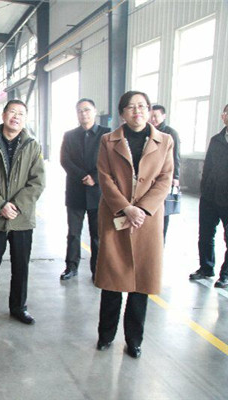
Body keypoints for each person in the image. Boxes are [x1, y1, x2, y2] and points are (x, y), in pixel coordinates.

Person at [94, 90, 173, 359]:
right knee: (112, 281)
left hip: (147, 220)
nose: (137, 111)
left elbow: (165, 179)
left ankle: (134, 340)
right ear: (122, 113)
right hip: (116, 215)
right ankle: (106, 335)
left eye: (142, 106)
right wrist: (126, 207)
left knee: (142, 283)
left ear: (149, 110)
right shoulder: (108, 140)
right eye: (130, 107)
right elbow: (104, 177)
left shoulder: (165, 141)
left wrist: (142, 209)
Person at [0, 99, 45, 327]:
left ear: (25, 119)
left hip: (22, 219)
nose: (16, 117)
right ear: (3, 115)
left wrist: (16, 206)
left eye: (21, 113)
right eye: (12, 112)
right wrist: (0, 204)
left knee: (21, 266)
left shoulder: (33, 146)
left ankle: (19, 307)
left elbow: (38, 182)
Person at [59, 99, 110, 281]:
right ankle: (71, 267)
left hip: (98, 193)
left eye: (87, 110)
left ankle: (97, 270)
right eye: (80, 111)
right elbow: (65, 160)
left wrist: (95, 177)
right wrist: (83, 176)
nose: (83, 114)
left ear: (95, 111)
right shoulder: (69, 135)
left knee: (97, 235)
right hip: (76, 191)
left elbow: (111, 160)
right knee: (73, 233)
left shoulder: (106, 134)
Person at [189, 104, 228, 289]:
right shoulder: (216, 140)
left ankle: (225, 275)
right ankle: (206, 268)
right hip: (210, 197)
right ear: (223, 116)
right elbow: (208, 166)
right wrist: (204, 190)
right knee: (205, 235)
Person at [150, 104, 181, 240]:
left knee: (163, 211)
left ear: (164, 116)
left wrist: (176, 176)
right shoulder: (148, 131)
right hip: (150, 176)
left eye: (155, 116)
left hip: (165, 177)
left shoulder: (170, 133)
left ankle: (160, 242)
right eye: (151, 116)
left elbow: (176, 156)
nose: (153, 119)